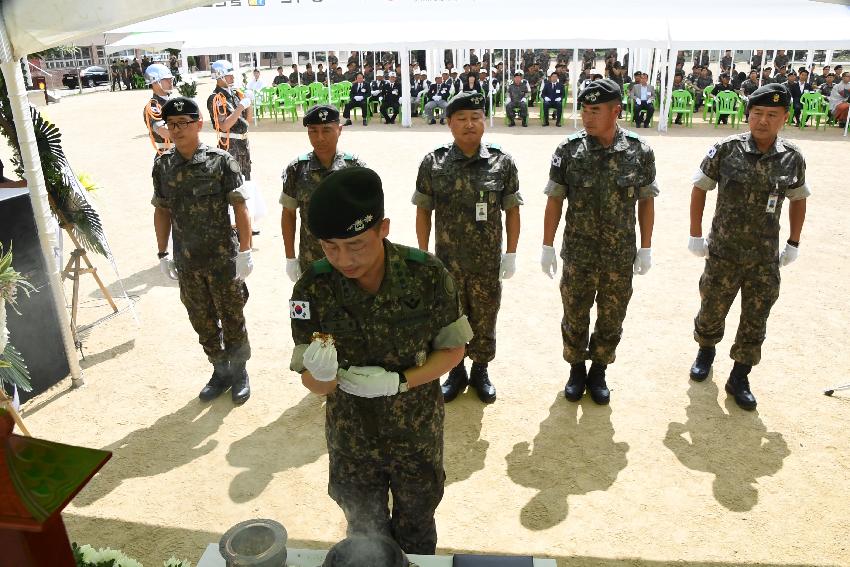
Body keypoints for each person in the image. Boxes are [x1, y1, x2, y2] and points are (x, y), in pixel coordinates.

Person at [290, 167, 472, 554]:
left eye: (356, 245)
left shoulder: (427, 276)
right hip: (352, 438)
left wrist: (400, 381)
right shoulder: (313, 288)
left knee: (418, 530)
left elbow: (453, 350)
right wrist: (322, 377)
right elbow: (311, 377)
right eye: (330, 247)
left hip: (416, 434)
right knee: (364, 536)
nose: (344, 259)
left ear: (383, 228)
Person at [687, 83, 809, 411]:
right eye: (757, 114)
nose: (763, 121)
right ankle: (706, 350)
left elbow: (798, 199)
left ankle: (740, 375)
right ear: (748, 114)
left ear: (785, 117)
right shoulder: (725, 150)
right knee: (712, 308)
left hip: (764, 256)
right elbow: (700, 188)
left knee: (756, 317)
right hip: (723, 251)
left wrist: (793, 243)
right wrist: (696, 234)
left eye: (772, 115)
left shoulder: (792, 158)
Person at [541, 79, 658, 405]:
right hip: (578, 253)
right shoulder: (569, 150)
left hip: (619, 255)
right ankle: (576, 368)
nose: (586, 117)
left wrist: (646, 246)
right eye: (584, 110)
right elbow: (554, 200)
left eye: (595, 111)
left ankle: (600, 370)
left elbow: (646, 201)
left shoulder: (639, 151)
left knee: (612, 317)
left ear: (616, 111)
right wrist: (547, 245)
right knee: (574, 315)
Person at [412, 92, 523, 404]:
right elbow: (423, 211)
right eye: (461, 119)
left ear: (484, 121)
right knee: (451, 319)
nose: (469, 124)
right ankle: (455, 370)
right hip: (448, 262)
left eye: (475, 117)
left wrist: (510, 253)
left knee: (486, 317)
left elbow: (512, 210)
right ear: (449, 124)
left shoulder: (502, 162)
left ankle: (481, 370)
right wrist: (424, 255)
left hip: (487, 262)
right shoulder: (433, 163)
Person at [152, 97, 254, 405]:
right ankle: (219, 370)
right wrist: (162, 253)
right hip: (188, 261)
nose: (178, 129)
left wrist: (245, 251)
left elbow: (240, 207)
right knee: (202, 320)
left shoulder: (221, 161)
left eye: (184, 123)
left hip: (222, 257)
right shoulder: (163, 165)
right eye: (172, 125)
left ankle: (239, 372)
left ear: (198, 124)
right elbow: (161, 210)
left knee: (232, 317)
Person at [281, 104, 366, 282]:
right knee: (312, 309)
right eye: (313, 131)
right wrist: (290, 257)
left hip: (350, 261)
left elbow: (368, 216)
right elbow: (288, 214)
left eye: (327, 130)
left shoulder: (355, 168)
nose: (320, 138)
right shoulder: (296, 169)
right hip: (311, 261)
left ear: (339, 130)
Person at [207, 59, 266, 236]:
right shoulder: (216, 98)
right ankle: (235, 226)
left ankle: (246, 222)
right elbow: (224, 125)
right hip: (230, 145)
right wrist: (240, 106)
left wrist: (249, 103)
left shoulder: (234, 93)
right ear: (219, 76)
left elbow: (246, 122)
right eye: (228, 74)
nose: (232, 77)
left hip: (242, 144)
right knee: (234, 185)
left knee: (246, 182)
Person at [142, 63, 174, 157]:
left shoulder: (174, 102)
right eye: (166, 79)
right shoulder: (152, 107)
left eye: (171, 78)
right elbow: (164, 132)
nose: (170, 81)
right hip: (167, 155)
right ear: (155, 82)